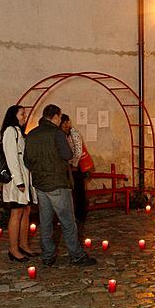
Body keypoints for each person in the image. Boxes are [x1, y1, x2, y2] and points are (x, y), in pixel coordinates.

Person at [24, 104, 96, 267]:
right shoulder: (56, 133)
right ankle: (76, 255)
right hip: (57, 182)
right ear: (55, 117)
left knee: (46, 220)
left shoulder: (32, 134)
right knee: (68, 221)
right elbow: (67, 154)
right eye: (59, 117)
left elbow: (27, 161)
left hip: (40, 183)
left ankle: (48, 255)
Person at [0, 105, 39, 262]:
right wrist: (18, 181)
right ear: (13, 115)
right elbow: (11, 158)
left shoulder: (19, 133)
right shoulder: (10, 131)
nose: (25, 116)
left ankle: (24, 245)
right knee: (16, 213)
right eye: (22, 114)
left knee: (26, 211)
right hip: (17, 180)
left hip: (25, 179)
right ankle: (13, 249)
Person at [60, 114, 89, 223]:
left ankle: (80, 215)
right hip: (68, 166)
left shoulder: (74, 134)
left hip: (77, 167)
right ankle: (70, 215)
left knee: (78, 191)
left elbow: (78, 151)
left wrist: (74, 165)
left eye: (65, 124)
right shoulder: (63, 135)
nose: (65, 126)